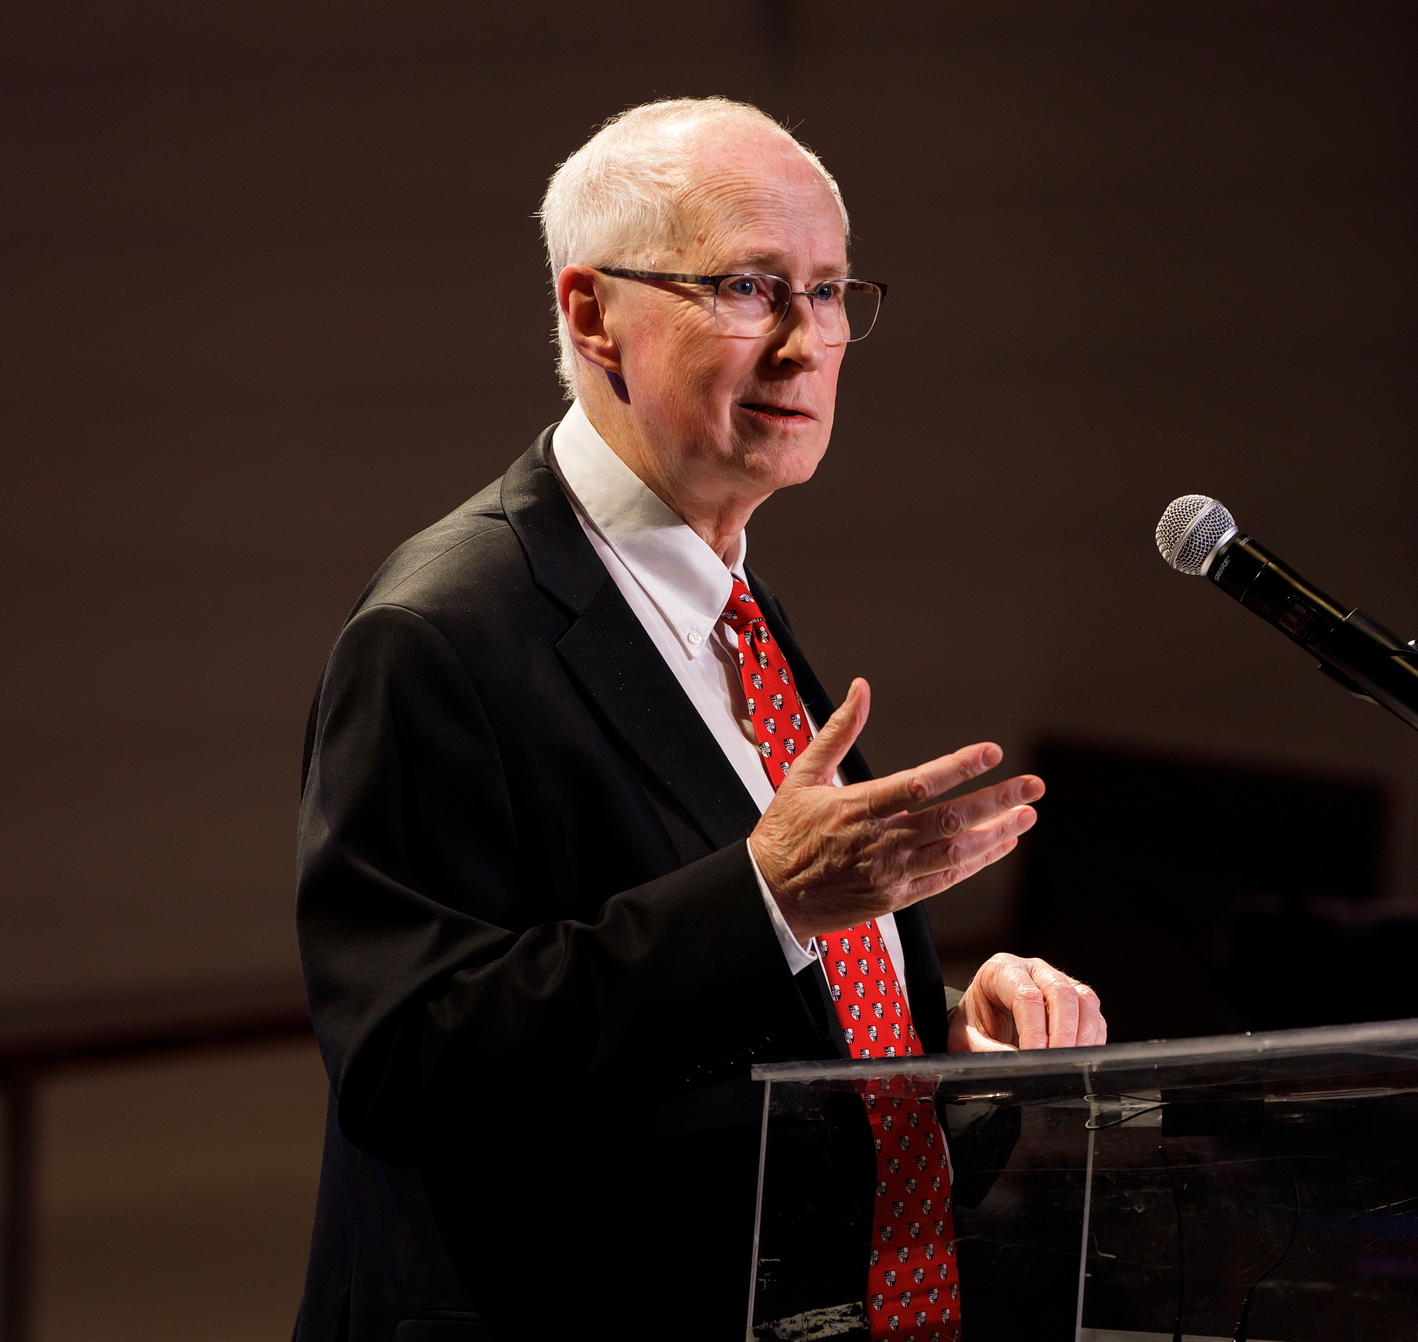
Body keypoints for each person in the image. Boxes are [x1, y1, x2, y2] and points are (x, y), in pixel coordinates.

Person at [292, 98, 1106, 1341]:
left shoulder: (738, 605)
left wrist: (954, 1046)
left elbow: (747, 1037)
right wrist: (766, 897)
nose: (806, 343)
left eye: (829, 292)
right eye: (747, 286)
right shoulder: (440, 631)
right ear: (589, 315)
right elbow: (409, 1065)